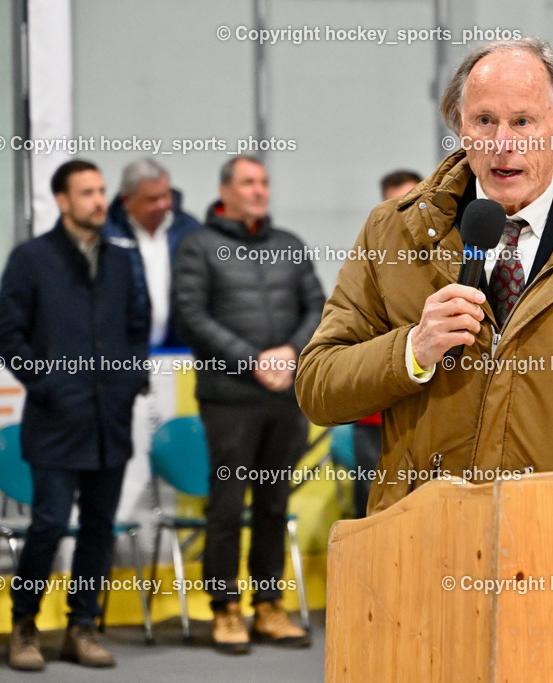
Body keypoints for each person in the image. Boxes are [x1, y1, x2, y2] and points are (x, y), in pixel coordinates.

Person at [296, 38, 553, 515]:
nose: (502, 143)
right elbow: (318, 388)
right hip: (421, 546)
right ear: (461, 125)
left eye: (522, 121)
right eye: (484, 120)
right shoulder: (392, 231)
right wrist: (411, 350)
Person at [0, 159, 150, 671]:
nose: (99, 201)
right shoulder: (30, 259)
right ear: (62, 201)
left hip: (111, 419)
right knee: (49, 525)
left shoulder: (123, 259)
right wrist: (49, 384)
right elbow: (8, 336)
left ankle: (82, 627)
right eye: (87, 193)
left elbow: (136, 329)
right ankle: (24, 626)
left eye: (102, 191)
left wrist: (126, 385)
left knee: (99, 528)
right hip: (56, 420)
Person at [172, 155, 325, 654]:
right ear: (226, 190)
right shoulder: (199, 247)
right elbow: (192, 316)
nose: (259, 190)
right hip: (229, 399)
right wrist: (252, 360)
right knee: (227, 505)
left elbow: (319, 308)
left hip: (285, 396)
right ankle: (225, 609)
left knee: (273, 503)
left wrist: (290, 353)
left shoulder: (289, 246)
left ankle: (268, 605)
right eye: (248, 183)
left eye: (263, 182)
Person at [351, 170, 423, 519]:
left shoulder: (450, 261)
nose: (404, 212)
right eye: (395, 204)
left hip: (425, 414)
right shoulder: (364, 267)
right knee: (371, 514)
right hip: (373, 417)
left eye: (411, 201)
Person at [103, 158, 201, 349]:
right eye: (152, 199)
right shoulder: (106, 234)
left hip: (179, 351)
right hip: (121, 352)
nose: (162, 204)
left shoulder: (190, 230)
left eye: (166, 195)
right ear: (126, 200)